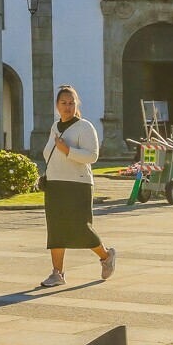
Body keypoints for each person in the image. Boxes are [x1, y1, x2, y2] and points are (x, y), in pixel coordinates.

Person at [38, 85, 116, 289]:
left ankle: (106, 256)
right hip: (55, 184)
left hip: (78, 184)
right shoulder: (55, 127)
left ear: (76, 104)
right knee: (56, 228)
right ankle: (57, 273)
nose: (68, 107)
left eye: (71, 103)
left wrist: (68, 150)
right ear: (57, 105)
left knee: (81, 227)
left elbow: (92, 156)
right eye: (63, 103)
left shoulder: (85, 127)